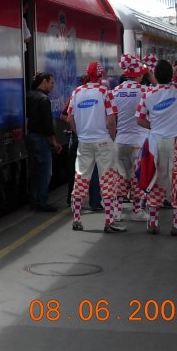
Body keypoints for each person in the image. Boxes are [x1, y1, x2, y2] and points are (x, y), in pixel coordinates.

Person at [135, 21, 177, 236]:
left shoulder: (148, 95)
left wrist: (156, 125)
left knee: (156, 180)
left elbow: (139, 120)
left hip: (155, 143)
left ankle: (153, 222)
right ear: (172, 75)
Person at [67, 61, 122, 232]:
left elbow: (69, 119)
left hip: (84, 142)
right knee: (107, 179)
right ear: (101, 75)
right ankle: (109, 221)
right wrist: (112, 138)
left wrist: (80, 134)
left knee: (81, 178)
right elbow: (112, 120)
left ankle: (76, 218)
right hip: (103, 141)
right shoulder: (105, 92)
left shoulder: (76, 92)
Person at [112, 54, 149, 222]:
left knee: (120, 177)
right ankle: (136, 211)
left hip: (120, 140)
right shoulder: (145, 91)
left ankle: (117, 212)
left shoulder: (115, 92)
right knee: (136, 178)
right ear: (139, 75)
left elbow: (111, 118)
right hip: (139, 142)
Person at [26, 72, 63, 211]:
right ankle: (41, 202)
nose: (53, 86)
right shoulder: (44, 99)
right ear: (44, 82)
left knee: (35, 171)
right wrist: (54, 141)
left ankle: (34, 201)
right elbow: (48, 124)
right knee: (45, 172)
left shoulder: (29, 95)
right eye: (51, 83)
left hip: (31, 137)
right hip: (41, 139)